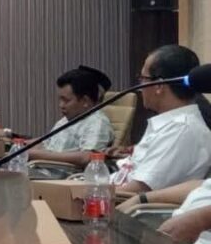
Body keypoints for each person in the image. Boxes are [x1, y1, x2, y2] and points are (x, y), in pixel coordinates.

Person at [111, 45, 211, 199]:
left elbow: (136, 190)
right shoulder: (170, 124)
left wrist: (85, 192)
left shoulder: (180, 130)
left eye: (142, 78)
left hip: (123, 206)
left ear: (158, 85)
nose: (140, 86)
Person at [25, 66, 115, 168]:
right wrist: (19, 146)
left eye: (66, 100)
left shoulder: (97, 123)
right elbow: (46, 145)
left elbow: (87, 157)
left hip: (64, 174)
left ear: (85, 101)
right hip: (41, 169)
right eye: (60, 100)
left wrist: (37, 155)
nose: (61, 105)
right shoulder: (66, 120)